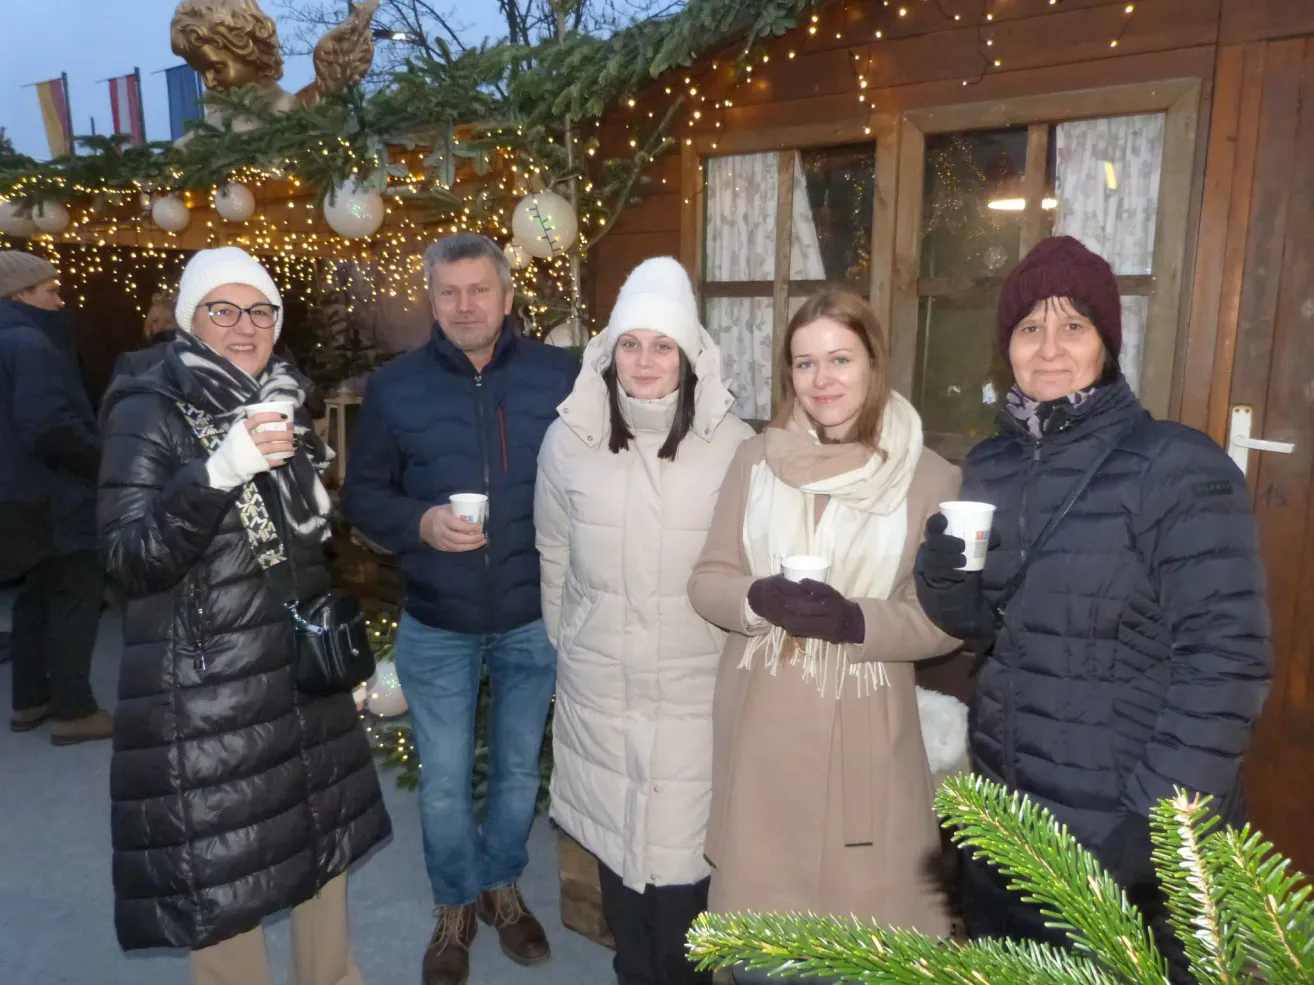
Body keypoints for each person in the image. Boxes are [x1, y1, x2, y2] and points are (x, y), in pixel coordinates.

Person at [912, 235, 1272, 981]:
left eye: (1074, 325)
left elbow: (1228, 659)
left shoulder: (1176, 466)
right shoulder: (993, 464)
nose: (1049, 347)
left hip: (1124, 823)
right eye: (1029, 327)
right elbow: (988, 625)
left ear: (1107, 343)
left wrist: (1154, 823)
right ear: (1004, 344)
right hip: (1012, 817)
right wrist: (944, 581)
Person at [98, 246, 391, 985]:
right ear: (189, 320)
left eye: (259, 309)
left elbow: (296, 551)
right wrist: (218, 473)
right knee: (224, 871)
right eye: (221, 309)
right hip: (208, 689)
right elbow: (130, 557)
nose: (243, 325)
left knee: (321, 848)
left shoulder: (284, 399)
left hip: (296, 670)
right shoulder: (147, 410)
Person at [688, 288, 964, 984]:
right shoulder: (757, 460)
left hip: (867, 739)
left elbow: (944, 621)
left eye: (840, 358)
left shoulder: (931, 477)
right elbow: (707, 577)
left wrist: (857, 620)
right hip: (761, 735)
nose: (823, 380)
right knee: (761, 947)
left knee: (867, 947)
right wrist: (757, 596)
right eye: (804, 364)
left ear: (874, 362)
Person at [341, 233, 578, 985]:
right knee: (443, 780)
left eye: (480, 290)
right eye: (449, 292)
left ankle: (503, 888)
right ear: (431, 299)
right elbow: (362, 495)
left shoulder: (560, 376)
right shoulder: (395, 387)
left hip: (532, 612)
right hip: (437, 620)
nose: (465, 305)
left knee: (515, 771)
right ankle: (455, 907)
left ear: (508, 296)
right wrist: (419, 524)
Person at [535, 258, 753, 985]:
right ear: (609, 351)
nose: (646, 360)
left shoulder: (733, 444)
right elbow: (554, 556)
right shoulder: (570, 438)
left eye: (663, 345)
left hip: (694, 699)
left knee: (685, 907)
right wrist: (581, 649)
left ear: (690, 355)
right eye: (632, 343)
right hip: (601, 700)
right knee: (624, 903)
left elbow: (751, 567)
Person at [0, 250, 112, 743]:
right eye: (51, 291)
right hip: (54, 496)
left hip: (16, 498)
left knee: (36, 596)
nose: (60, 299)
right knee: (76, 593)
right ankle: (73, 710)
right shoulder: (30, 344)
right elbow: (49, 427)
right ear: (21, 294)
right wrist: (102, 458)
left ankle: (30, 699)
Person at [109, 290, 179, 380]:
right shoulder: (192, 356)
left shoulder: (129, 360)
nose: (161, 326)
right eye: (156, 321)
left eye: (168, 321)